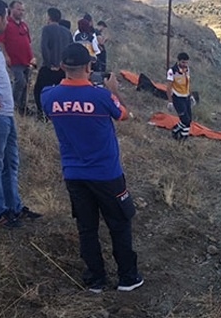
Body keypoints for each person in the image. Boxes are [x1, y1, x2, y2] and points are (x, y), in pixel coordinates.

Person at [40, 43, 143, 293]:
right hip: (107, 174)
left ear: (63, 66)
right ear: (89, 66)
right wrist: (114, 91)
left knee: (87, 228)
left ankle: (95, 279)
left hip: (74, 174)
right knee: (119, 223)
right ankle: (127, 278)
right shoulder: (102, 96)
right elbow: (124, 116)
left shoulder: (48, 96)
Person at [0, 0, 42, 229]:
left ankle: (13, 207)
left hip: (6, 114)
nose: (6, 21)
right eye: (5, 16)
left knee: (11, 163)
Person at [0, 0, 34, 115]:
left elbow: (28, 42)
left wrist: (32, 58)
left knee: (26, 83)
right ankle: (15, 104)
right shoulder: (6, 25)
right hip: (14, 60)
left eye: (22, 10)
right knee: (19, 81)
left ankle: (23, 107)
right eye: (18, 9)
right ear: (11, 10)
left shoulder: (24, 25)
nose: (21, 12)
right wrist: (6, 56)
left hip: (26, 60)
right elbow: (0, 41)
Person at [33, 7, 72, 117]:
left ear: (49, 17)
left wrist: (50, 64)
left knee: (39, 90)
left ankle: (42, 113)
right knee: (59, 93)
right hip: (62, 69)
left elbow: (44, 47)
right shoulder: (67, 32)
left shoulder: (47, 29)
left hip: (49, 67)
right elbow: (70, 50)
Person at [166, 52, 195, 140]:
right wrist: (170, 101)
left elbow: (188, 84)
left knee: (189, 120)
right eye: (183, 62)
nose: (185, 64)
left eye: (186, 62)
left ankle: (181, 136)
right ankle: (178, 134)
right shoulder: (172, 71)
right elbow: (168, 87)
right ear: (178, 61)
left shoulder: (187, 70)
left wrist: (191, 95)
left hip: (186, 97)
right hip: (177, 97)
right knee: (185, 120)